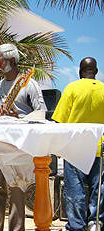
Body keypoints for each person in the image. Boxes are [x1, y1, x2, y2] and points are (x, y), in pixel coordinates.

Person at [0, 43, 47, 231]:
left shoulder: (29, 84)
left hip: (20, 147)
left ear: (12, 60)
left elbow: (41, 113)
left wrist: (19, 118)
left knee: (17, 191)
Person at [52, 57, 104, 231]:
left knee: (75, 190)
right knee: (98, 189)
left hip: (74, 148)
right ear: (96, 72)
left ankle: (76, 226)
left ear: (80, 72)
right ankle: (95, 222)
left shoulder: (71, 88)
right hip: (99, 148)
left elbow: (59, 121)